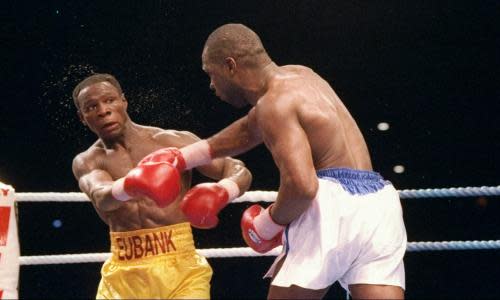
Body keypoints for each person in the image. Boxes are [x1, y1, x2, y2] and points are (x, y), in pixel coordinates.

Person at [143, 23, 407, 299]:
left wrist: (265, 225)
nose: (211, 84)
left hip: (331, 204)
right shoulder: (303, 75)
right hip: (379, 203)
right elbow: (248, 128)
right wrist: (181, 158)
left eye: (211, 73)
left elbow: (302, 186)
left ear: (231, 66)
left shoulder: (273, 105)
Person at [71, 73, 252, 299]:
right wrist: (132, 184)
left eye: (109, 100)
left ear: (123, 101)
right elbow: (101, 196)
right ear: (82, 117)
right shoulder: (88, 161)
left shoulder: (172, 142)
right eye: (91, 107)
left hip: (182, 270)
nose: (103, 110)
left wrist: (225, 190)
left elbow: (235, 168)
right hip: (123, 276)